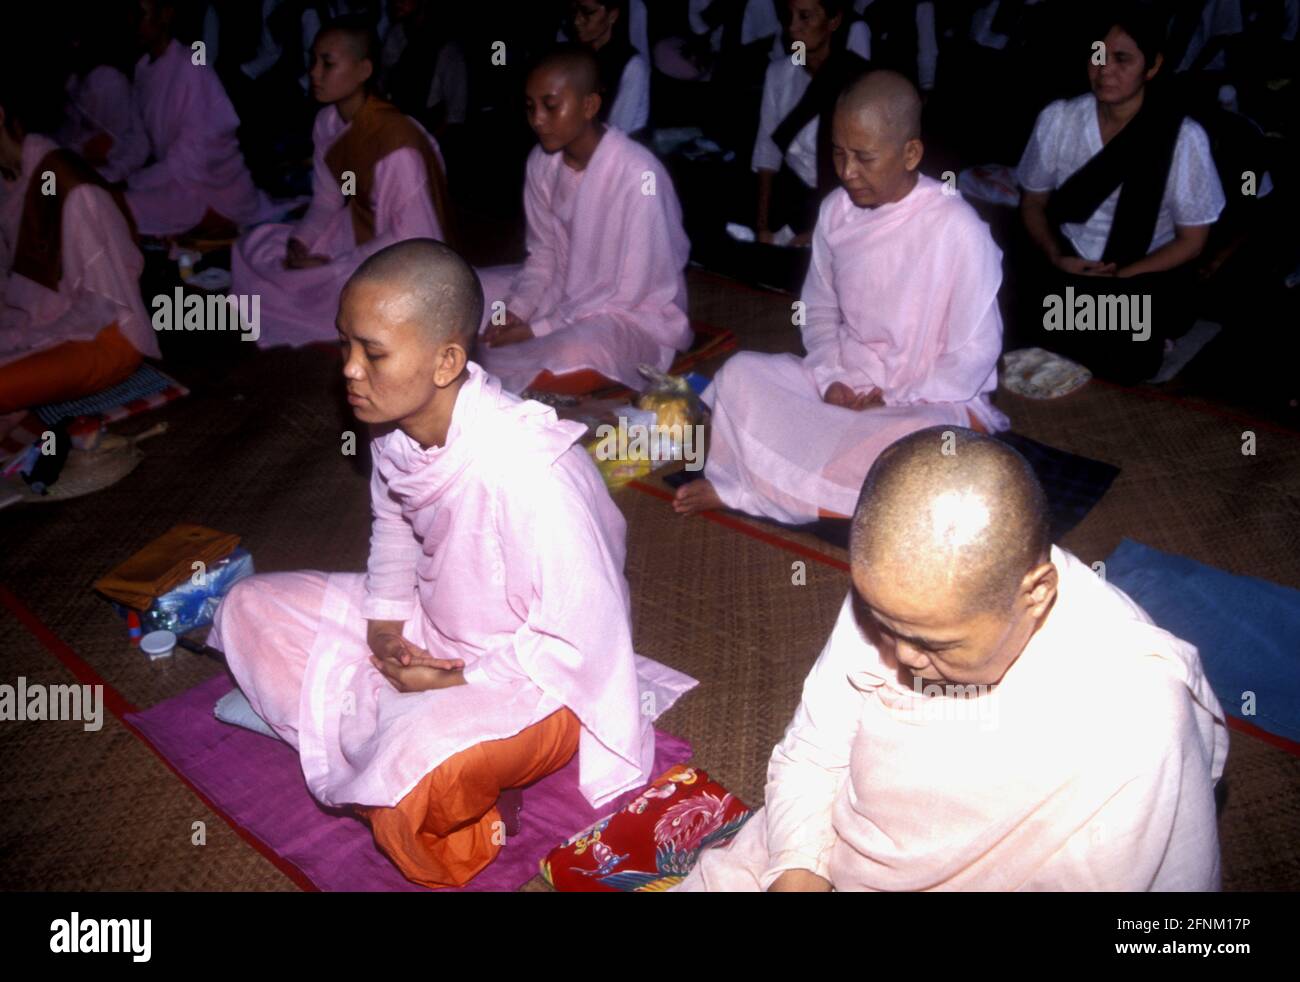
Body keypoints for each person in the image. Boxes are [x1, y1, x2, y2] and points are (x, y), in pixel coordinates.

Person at [210, 239, 654, 889]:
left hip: (532, 675)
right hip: (431, 621)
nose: (350, 372)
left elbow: (580, 640)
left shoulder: (530, 473)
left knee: (411, 794)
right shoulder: (394, 426)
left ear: (447, 361)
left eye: (374, 353)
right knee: (245, 606)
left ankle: (348, 724)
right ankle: (357, 724)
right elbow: (392, 526)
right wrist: (385, 625)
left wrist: (453, 682)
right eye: (345, 346)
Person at [679, 426, 1229, 891]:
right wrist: (798, 869)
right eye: (883, 625)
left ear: (1035, 594)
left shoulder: (1135, 710)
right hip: (839, 855)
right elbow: (813, 751)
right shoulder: (903, 601)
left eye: (933, 645)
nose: (900, 656)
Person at [676, 71, 1006, 522]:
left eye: (864, 157)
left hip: (926, 398)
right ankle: (815, 484)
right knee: (740, 374)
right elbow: (820, 311)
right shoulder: (835, 211)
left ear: (911, 153)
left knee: (921, 449)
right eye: (838, 152)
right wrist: (833, 377)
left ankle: (754, 489)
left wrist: (892, 397)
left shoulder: (959, 228)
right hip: (845, 382)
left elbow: (974, 355)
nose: (847, 171)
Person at [1015, 6, 1225, 383]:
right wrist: (1055, 254)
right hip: (1071, 260)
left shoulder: (1183, 137)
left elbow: (1193, 241)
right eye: (1097, 55)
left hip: (1141, 269)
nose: (1104, 69)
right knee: (1023, 339)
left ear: (1153, 66)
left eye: (1122, 59)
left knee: (1124, 364)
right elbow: (1032, 202)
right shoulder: (1060, 118)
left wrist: (1125, 275)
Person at [476, 46, 691, 396]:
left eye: (550, 105)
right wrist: (516, 311)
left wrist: (537, 329)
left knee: (569, 352)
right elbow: (542, 254)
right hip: (559, 296)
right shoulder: (541, 163)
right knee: (469, 289)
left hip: (629, 316)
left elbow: (628, 293)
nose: (537, 120)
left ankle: (528, 362)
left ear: (589, 106)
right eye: (530, 107)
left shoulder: (639, 174)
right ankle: (519, 354)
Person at [231, 16, 452, 348]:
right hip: (357, 228)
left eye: (327, 64)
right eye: (313, 61)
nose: (314, 73)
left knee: (319, 288)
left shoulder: (395, 142)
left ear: (364, 70)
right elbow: (327, 200)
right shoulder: (327, 122)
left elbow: (416, 238)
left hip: (402, 258)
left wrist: (336, 266)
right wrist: (301, 243)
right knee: (257, 245)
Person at [0, 77, 157, 414]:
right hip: (35, 324)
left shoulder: (68, 186)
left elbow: (102, 307)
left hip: (102, 338)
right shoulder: (8, 181)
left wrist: (25, 337)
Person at [124, 0, 273, 237]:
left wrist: (137, 182)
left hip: (210, 189)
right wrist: (113, 174)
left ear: (166, 15)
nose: (132, 23)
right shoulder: (142, 70)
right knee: (105, 200)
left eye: (139, 14)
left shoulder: (191, 64)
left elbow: (196, 153)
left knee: (120, 209)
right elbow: (138, 140)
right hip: (174, 179)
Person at [752, 0, 869, 245]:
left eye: (805, 17)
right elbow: (767, 153)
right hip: (794, 197)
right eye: (789, 16)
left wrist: (820, 232)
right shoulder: (779, 74)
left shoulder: (857, 79)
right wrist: (762, 226)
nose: (793, 27)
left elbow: (865, 169)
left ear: (833, 21)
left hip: (846, 203)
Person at [58, 0, 150, 185]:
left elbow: (133, 145)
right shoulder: (74, 84)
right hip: (93, 173)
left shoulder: (107, 80)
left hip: (121, 177)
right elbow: (72, 138)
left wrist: (108, 176)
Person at [570, 0, 651, 135]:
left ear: (612, 15)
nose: (577, 21)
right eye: (574, 12)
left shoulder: (632, 66)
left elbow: (617, 133)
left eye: (588, 12)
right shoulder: (574, 57)